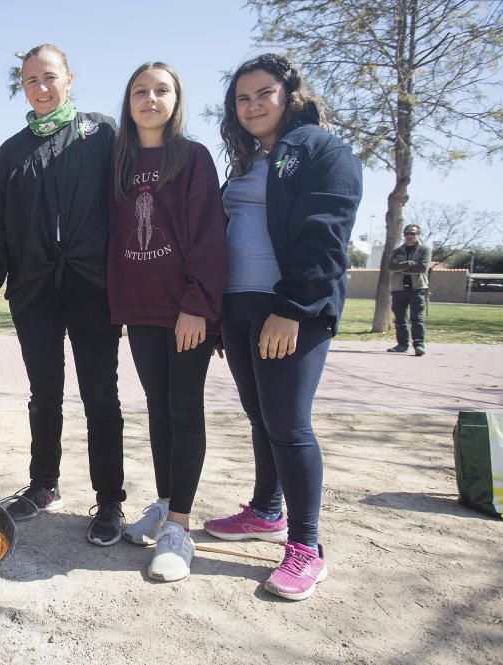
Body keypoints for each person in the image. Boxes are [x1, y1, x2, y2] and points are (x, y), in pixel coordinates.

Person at [204, 54, 362, 600]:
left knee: (290, 425)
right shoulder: (250, 158)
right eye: (241, 99)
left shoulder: (321, 150)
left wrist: (292, 308)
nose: (252, 106)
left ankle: (307, 546)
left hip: (288, 309)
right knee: (260, 416)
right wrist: (223, 313)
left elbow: (327, 236)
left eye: (262, 94)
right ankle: (266, 510)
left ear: (288, 94)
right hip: (240, 305)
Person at [0, 44, 126, 546]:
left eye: (49, 77)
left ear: (69, 78)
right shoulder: (10, 152)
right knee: (43, 395)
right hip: (35, 292)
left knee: (100, 396)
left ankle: (109, 499)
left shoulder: (103, 133)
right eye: (30, 81)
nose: (41, 87)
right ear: (22, 88)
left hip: (94, 289)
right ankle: (43, 485)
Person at [107, 62, 227, 580]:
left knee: (183, 408)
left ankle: (179, 527)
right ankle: (164, 500)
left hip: (186, 311)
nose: (150, 99)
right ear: (128, 100)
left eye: (162, 91)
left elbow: (209, 235)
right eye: (140, 91)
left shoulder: (193, 158)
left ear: (176, 101)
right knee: (157, 407)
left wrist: (198, 303)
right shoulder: (116, 160)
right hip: (139, 307)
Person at [387, 224, 431, 356]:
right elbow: (391, 267)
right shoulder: (397, 251)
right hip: (398, 289)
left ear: (418, 235)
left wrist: (401, 269)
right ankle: (402, 344)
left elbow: (422, 268)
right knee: (400, 318)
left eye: (412, 233)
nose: (409, 236)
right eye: (407, 234)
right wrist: (408, 264)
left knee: (417, 318)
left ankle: (419, 345)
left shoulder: (424, 250)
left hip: (417, 288)